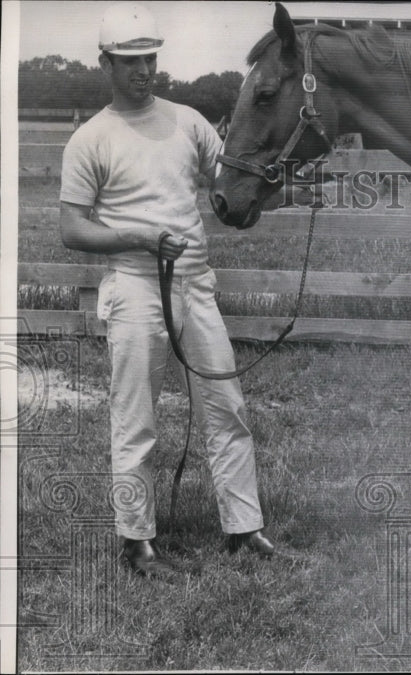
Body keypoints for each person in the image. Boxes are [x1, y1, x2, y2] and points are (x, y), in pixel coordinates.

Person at [59, 2, 275, 576]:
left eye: (149, 57)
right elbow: (71, 228)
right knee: (136, 420)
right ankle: (136, 544)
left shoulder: (187, 120)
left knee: (227, 406)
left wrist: (276, 179)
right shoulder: (91, 138)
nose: (143, 69)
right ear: (106, 62)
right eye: (130, 59)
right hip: (134, 289)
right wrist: (138, 235)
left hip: (197, 286)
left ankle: (244, 529)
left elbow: (227, 178)